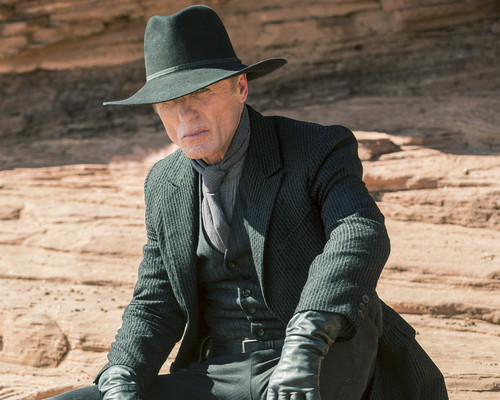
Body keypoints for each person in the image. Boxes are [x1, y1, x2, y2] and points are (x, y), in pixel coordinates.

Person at [48, 5, 448, 400]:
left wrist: (307, 339)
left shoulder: (316, 147)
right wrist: (122, 373)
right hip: (217, 373)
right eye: (168, 103)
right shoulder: (163, 182)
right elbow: (156, 298)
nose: (185, 116)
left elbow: (359, 232)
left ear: (240, 87)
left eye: (200, 92)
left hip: (324, 355)